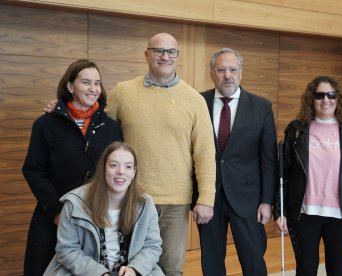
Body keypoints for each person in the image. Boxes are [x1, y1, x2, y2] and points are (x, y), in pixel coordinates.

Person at [105, 33, 216, 275]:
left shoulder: (194, 100)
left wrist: (206, 198)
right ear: (147, 54)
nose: (165, 57)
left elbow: (205, 153)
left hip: (174, 203)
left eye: (171, 52)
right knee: (127, 266)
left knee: (170, 268)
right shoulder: (123, 92)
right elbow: (100, 135)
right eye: (158, 51)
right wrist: (63, 105)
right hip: (130, 197)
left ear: (178, 57)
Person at [22, 59, 123, 276]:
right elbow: (33, 170)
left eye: (97, 83)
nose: (93, 89)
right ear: (70, 86)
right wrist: (56, 210)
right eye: (86, 82)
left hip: (95, 214)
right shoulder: (45, 124)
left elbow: (117, 170)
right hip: (53, 212)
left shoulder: (111, 127)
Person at [274, 75, 342, 276]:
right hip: (304, 214)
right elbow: (282, 175)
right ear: (312, 98)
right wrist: (279, 211)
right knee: (306, 270)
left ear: (338, 98)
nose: (325, 100)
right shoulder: (297, 130)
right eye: (320, 95)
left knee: (338, 271)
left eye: (331, 94)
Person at [196, 48, 277, 276]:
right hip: (208, 196)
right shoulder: (198, 102)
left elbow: (269, 158)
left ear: (241, 72)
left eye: (232, 69)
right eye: (221, 70)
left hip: (248, 198)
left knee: (253, 260)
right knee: (211, 263)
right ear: (212, 74)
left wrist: (266, 201)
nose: (227, 75)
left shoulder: (261, 107)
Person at [43, 141, 164, 276]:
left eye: (128, 166)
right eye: (113, 165)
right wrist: (100, 273)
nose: (121, 172)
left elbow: (152, 246)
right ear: (103, 168)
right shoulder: (74, 203)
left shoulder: (145, 203)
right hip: (86, 272)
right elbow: (67, 250)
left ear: (134, 172)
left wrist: (134, 269)